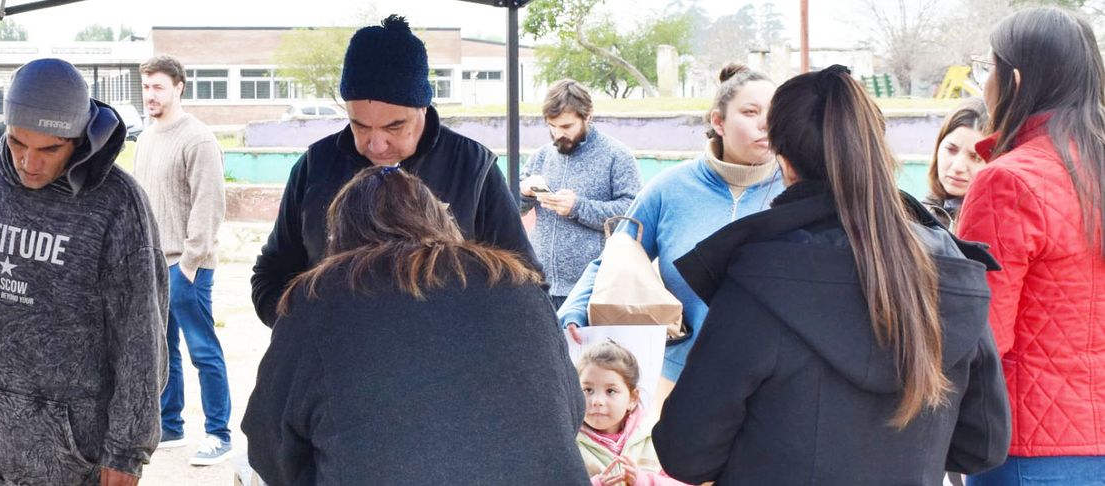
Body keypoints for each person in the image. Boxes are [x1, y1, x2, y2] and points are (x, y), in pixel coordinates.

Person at [651, 65, 1010, 484]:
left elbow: (685, 454)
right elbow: (981, 444)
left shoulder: (760, 277)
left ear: (782, 159)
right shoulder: (947, 264)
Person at [0, 58, 168, 486]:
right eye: (17, 143)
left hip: (71, 456)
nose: (28, 162)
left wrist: (127, 449)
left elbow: (140, 338)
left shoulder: (118, 204)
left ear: (78, 140)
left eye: (50, 149)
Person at [242, 166, 588, 485]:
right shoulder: (519, 284)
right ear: (438, 219)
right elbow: (570, 410)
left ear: (340, 234)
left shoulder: (317, 298)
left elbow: (268, 442)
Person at [250, 15, 535, 326]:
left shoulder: (473, 167)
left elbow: (525, 279)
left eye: (394, 126)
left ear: (423, 107)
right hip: (337, 364)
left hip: (447, 365)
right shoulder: (315, 165)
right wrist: (305, 332)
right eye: (360, 126)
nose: (376, 145)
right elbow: (270, 275)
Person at [557, 63, 784, 408]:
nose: (765, 123)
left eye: (774, 112)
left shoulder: (796, 189)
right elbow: (615, 256)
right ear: (718, 122)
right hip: (680, 380)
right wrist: (573, 313)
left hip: (774, 385)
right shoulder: (669, 188)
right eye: (750, 112)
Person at [956, 7, 1105, 484]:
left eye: (987, 69)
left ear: (1013, 80)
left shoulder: (1009, 180)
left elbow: (980, 335)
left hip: (1033, 447)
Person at [133, 55, 233, 465]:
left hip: (186, 265)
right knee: (162, 349)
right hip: (153, 263)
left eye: (158, 86)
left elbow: (210, 203)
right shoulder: (145, 137)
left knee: (202, 350)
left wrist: (190, 262)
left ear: (179, 87)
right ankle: (169, 426)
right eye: (146, 87)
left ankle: (218, 433)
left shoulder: (199, 139)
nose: (150, 95)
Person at [519, 79, 641, 310]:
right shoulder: (541, 156)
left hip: (593, 288)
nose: (557, 134)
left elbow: (631, 215)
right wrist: (524, 191)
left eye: (566, 127)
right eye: (552, 126)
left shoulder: (617, 156)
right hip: (539, 284)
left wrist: (578, 208)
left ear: (588, 116)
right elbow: (511, 208)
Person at [574, 341, 688, 486]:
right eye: (588, 390)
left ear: (632, 399)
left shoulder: (656, 438)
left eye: (610, 391)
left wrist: (645, 481)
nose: (597, 401)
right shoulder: (569, 442)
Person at [922, 98, 989, 229]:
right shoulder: (914, 217)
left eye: (975, 157)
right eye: (951, 150)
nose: (958, 167)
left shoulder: (998, 228)